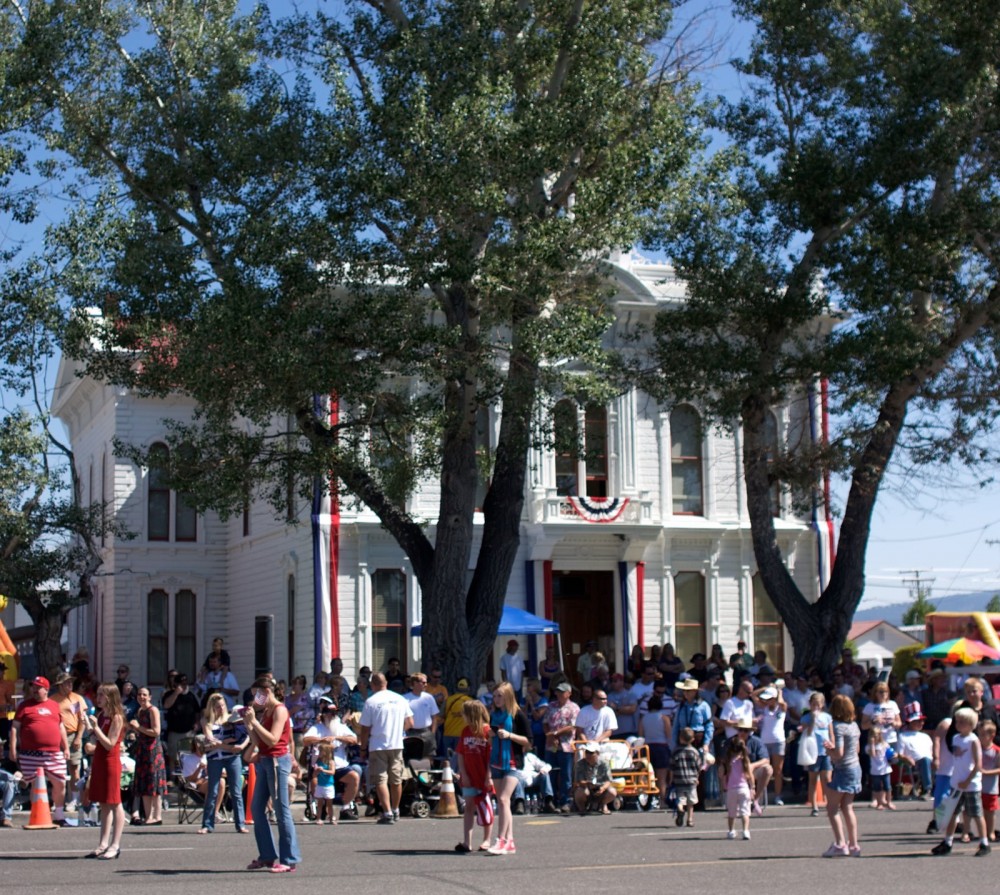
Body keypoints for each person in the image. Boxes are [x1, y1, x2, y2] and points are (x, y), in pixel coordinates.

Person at [243, 676, 301, 873]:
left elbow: (273, 739)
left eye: (257, 695)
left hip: (277, 761)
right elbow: (259, 742)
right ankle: (267, 855)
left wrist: (255, 724)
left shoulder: (280, 710)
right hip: (266, 760)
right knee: (257, 808)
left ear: (266, 692)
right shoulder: (266, 711)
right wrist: (249, 725)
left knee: (281, 809)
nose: (255, 700)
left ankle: (288, 858)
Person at [11, 675, 70, 826]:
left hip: (53, 752)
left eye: (39, 687)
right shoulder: (24, 706)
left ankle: (58, 813)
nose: (35, 690)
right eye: (33, 687)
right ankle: (37, 813)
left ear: (46, 689)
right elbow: (15, 728)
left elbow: (61, 727)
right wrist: (13, 748)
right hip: (30, 753)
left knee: (60, 782)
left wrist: (66, 747)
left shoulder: (54, 705)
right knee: (34, 784)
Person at [932, 707, 990, 856]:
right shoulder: (956, 738)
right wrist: (956, 779)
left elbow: (978, 765)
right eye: (957, 721)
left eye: (962, 722)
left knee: (976, 813)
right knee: (952, 813)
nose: (958, 724)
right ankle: (948, 841)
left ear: (970, 724)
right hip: (956, 783)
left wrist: (967, 780)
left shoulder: (973, 740)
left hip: (971, 785)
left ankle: (984, 842)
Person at [359, 671, 414, 825]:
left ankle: (387, 812)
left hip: (378, 744)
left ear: (373, 685)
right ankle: (396, 810)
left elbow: (365, 728)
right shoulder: (400, 699)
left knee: (381, 779)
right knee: (396, 779)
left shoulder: (371, 701)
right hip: (396, 744)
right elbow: (410, 722)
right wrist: (398, 731)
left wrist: (363, 747)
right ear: (386, 683)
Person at [487, 681, 531, 854]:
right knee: (501, 801)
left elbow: (528, 741)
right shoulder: (494, 715)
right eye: (495, 696)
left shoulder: (517, 715)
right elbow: (490, 736)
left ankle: (501, 839)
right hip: (496, 760)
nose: (497, 699)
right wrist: (490, 735)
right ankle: (510, 840)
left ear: (508, 696)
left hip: (513, 761)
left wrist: (509, 735)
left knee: (505, 799)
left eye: (500, 696)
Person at [84, 683, 126, 859]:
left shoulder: (117, 717)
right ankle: (103, 843)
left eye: (101, 695)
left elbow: (110, 743)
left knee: (114, 801)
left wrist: (97, 728)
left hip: (110, 761)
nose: (98, 698)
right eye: (98, 694)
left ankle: (115, 844)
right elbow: (96, 736)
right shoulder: (101, 714)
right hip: (99, 760)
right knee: (103, 802)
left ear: (110, 697)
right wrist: (88, 724)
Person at [303, 698, 362, 822]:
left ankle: (346, 807)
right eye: (330, 713)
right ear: (324, 714)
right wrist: (322, 740)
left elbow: (354, 739)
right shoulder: (317, 728)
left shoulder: (340, 727)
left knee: (354, 777)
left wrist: (337, 737)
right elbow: (305, 740)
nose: (333, 716)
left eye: (335, 713)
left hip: (340, 766)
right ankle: (321, 807)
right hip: (321, 766)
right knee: (314, 780)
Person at [198, 693, 249, 833]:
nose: (221, 709)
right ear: (212, 708)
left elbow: (245, 734)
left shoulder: (231, 718)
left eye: (222, 706)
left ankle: (240, 824)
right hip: (214, 758)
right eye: (217, 707)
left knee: (236, 791)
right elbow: (209, 738)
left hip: (232, 757)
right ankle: (207, 825)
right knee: (213, 791)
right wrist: (222, 743)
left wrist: (238, 746)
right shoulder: (207, 720)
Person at [822, 693, 862, 857]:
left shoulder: (837, 727)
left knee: (832, 807)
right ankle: (853, 844)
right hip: (855, 767)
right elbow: (857, 749)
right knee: (847, 806)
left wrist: (828, 749)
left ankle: (840, 843)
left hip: (843, 769)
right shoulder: (854, 726)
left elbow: (838, 753)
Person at [455, 699, 494, 853]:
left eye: (464, 714)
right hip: (469, 776)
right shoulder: (465, 731)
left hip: (483, 775)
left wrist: (489, 776)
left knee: (485, 807)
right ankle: (467, 841)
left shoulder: (487, 732)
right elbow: (460, 754)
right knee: (469, 806)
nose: (462, 717)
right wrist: (463, 773)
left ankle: (487, 839)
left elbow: (492, 756)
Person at [129, 686, 167, 825]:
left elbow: (156, 731)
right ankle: (148, 816)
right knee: (144, 784)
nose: (142, 697)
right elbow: (142, 730)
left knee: (155, 783)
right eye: (139, 694)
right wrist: (135, 731)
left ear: (150, 697)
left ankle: (157, 816)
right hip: (142, 749)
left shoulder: (153, 710)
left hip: (153, 751)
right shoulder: (140, 711)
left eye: (144, 695)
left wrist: (138, 727)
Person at [543, 681, 580, 812]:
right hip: (551, 746)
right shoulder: (551, 706)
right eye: (557, 691)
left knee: (566, 775)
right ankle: (551, 802)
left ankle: (566, 802)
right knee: (550, 773)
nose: (558, 694)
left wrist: (556, 734)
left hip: (566, 746)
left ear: (568, 693)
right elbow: (545, 722)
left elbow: (572, 727)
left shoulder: (574, 708)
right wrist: (549, 735)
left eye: (562, 692)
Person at [53, 672, 88, 812]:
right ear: (60, 685)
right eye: (67, 682)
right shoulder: (53, 700)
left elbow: (82, 719)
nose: (70, 685)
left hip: (73, 735)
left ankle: (74, 799)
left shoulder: (77, 699)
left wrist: (79, 737)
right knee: (57, 769)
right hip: (57, 736)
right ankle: (58, 799)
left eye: (71, 682)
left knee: (74, 768)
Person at [801, 691, 833, 816]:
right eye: (813, 704)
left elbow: (831, 733)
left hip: (825, 751)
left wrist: (832, 744)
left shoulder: (827, 717)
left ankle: (829, 802)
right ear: (810, 704)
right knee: (813, 779)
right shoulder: (806, 718)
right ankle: (814, 806)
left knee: (827, 778)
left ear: (822, 705)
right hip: (813, 752)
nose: (816, 707)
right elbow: (807, 733)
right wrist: (813, 719)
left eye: (818, 705)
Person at [639, 694, 672, 809]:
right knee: (661, 777)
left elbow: (641, 735)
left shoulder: (644, 718)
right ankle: (662, 801)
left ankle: (649, 800)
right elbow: (669, 735)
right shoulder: (664, 718)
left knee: (647, 776)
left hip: (647, 748)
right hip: (661, 748)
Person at [163, 673, 201, 771]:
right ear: (175, 684)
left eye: (185, 683)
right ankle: (172, 778)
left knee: (187, 756)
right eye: (181, 684)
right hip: (174, 731)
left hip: (188, 731)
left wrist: (197, 723)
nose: (183, 686)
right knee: (172, 756)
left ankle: (185, 779)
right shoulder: (169, 694)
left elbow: (197, 711)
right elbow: (166, 705)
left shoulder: (191, 696)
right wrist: (176, 693)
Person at [719, 734, 754, 840]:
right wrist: (753, 787)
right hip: (743, 788)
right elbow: (750, 775)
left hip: (731, 789)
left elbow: (721, 775)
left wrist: (723, 787)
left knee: (732, 812)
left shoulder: (727, 761)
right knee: (745, 811)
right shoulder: (744, 760)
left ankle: (731, 831)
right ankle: (746, 831)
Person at [896, 703, 933, 799]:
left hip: (929, 761)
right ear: (910, 722)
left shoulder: (926, 736)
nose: (921, 723)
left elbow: (931, 751)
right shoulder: (903, 736)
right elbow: (899, 754)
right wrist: (906, 758)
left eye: (922, 721)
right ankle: (927, 789)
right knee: (925, 760)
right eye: (918, 721)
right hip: (913, 763)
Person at [573, 741, 616, 815]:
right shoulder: (580, 764)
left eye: (591, 753)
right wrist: (587, 783)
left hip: (601, 787)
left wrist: (602, 788)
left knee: (612, 792)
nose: (588, 755)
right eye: (587, 752)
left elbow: (608, 780)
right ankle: (582, 808)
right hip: (587, 787)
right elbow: (579, 781)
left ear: (597, 753)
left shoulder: (604, 763)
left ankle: (603, 804)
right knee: (581, 792)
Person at [670, 727, 701, 827]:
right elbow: (698, 766)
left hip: (679, 779)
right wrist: (697, 777)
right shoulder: (694, 752)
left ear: (680, 738)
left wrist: (671, 779)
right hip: (691, 780)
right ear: (692, 739)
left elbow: (671, 766)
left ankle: (680, 809)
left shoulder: (675, 751)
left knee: (680, 798)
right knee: (690, 801)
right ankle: (690, 819)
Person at [404, 672, 440, 758]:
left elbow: (434, 717)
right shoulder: (404, 698)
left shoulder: (429, 697)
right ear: (415, 683)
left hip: (426, 732)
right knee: (411, 759)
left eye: (426, 682)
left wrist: (432, 733)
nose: (426, 685)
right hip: (410, 733)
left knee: (428, 758)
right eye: (423, 682)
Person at [979, 719, 999, 844]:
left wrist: (986, 772)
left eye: (982, 734)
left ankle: (990, 832)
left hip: (991, 786)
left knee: (990, 810)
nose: (980, 737)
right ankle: (981, 832)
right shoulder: (976, 748)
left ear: (991, 735)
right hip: (977, 785)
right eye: (979, 734)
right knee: (978, 810)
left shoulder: (996, 750)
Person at [443, 678, 474, 754]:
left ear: (456, 688)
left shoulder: (448, 700)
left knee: (448, 760)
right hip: (463, 736)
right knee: (461, 759)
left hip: (447, 734)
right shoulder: (471, 702)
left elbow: (440, 716)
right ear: (468, 688)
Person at [866, 725, 892, 810]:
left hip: (885, 769)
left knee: (887, 787)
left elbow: (890, 754)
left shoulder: (884, 744)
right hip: (875, 770)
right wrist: (872, 744)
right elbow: (872, 754)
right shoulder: (868, 747)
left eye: (877, 735)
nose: (875, 737)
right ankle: (879, 803)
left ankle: (889, 802)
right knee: (877, 788)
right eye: (873, 735)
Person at [313, 742, 337, 826]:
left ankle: (331, 817)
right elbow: (314, 774)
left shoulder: (331, 762)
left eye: (320, 751)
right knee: (319, 803)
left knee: (329, 804)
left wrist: (323, 770)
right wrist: (316, 771)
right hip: (320, 785)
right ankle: (318, 818)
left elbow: (332, 772)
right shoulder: (318, 761)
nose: (319, 754)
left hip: (328, 786)